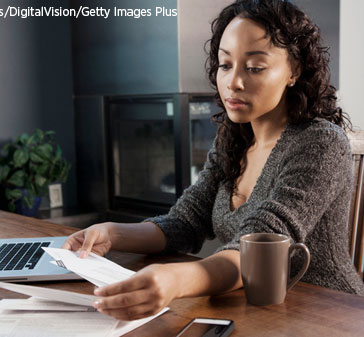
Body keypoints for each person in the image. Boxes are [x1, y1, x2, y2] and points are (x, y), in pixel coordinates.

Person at [63, 0, 364, 321]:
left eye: (255, 67)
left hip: (326, 312)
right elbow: (185, 222)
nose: (233, 82)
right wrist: (112, 233)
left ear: (295, 70)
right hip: (253, 309)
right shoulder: (234, 138)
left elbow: (259, 255)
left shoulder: (320, 142)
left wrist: (177, 279)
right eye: (225, 64)